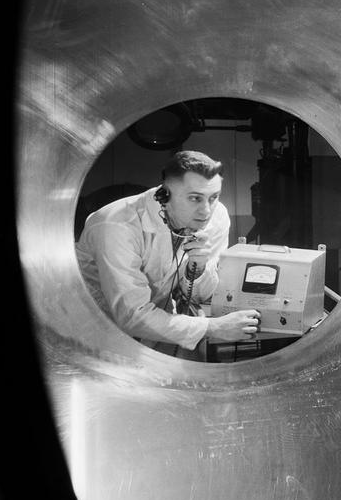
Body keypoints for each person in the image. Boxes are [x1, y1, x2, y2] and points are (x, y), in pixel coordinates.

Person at [76, 150, 259, 356]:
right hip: (95, 330)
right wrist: (213, 327)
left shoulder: (217, 218)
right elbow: (131, 315)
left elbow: (204, 295)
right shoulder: (116, 225)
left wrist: (196, 270)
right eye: (194, 198)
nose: (206, 211)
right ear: (164, 195)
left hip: (158, 322)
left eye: (213, 197)